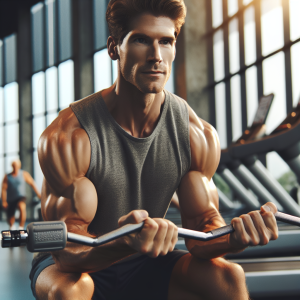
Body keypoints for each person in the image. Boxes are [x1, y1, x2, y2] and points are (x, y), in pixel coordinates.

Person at [30, 0, 279, 299]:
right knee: (68, 291)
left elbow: (201, 232)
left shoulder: (195, 134)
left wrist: (235, 237)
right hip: (76, 267)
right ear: (114, 48)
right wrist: (126, 241)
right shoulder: (70, 136)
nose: (156, 56)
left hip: (142, 260)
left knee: (228, 277)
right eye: (140, 40)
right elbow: (68, 253)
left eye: (166, 41)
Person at [1, 159, 41, 230]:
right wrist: (4, 201)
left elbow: (32, 184)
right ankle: (12, 227)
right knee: (10, 218)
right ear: (12, 166)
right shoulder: (7, 176)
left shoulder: (24, 174)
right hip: (10, 199)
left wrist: (38, 194)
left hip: (20, 197)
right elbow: (3, 189)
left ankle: (20, 227)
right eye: (14, 166)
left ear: (19, 166)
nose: (15, 167)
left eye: (17, 165)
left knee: (22, 207)